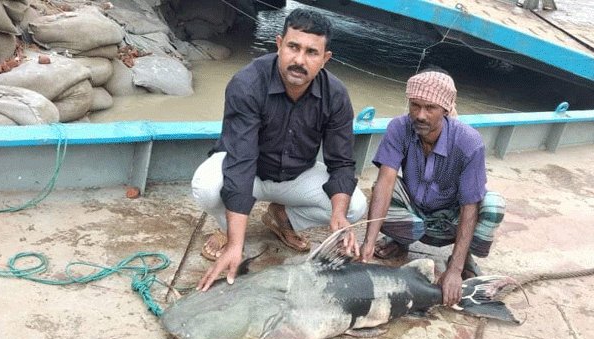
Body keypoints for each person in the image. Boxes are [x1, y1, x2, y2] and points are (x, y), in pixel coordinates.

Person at [192, 8, 367, 291]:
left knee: (354, 206)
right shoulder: (247, 83)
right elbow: (241, 162)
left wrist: (338, 216)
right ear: (278, 44)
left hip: (296, 175)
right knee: (206, 185)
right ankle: (227, 230)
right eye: (293, 47)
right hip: (251, 173)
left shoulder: (336, 95)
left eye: (312, 52)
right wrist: (238, 245)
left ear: (325, 59)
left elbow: (341, 162)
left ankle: (282, 217)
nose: (299, 60)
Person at [359, 70, 505, 306]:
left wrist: (455, 271)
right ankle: (400, 240)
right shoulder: (399, 127)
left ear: (446, 109)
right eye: (415, 106)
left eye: (430, 108)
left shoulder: (469, 142)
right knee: (380, 188)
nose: (420, 115)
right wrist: (368, 242)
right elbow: (386, 182)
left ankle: (463, 259)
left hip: (451, 218)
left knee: (493, 205)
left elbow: (469, 206)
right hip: (416, 208)